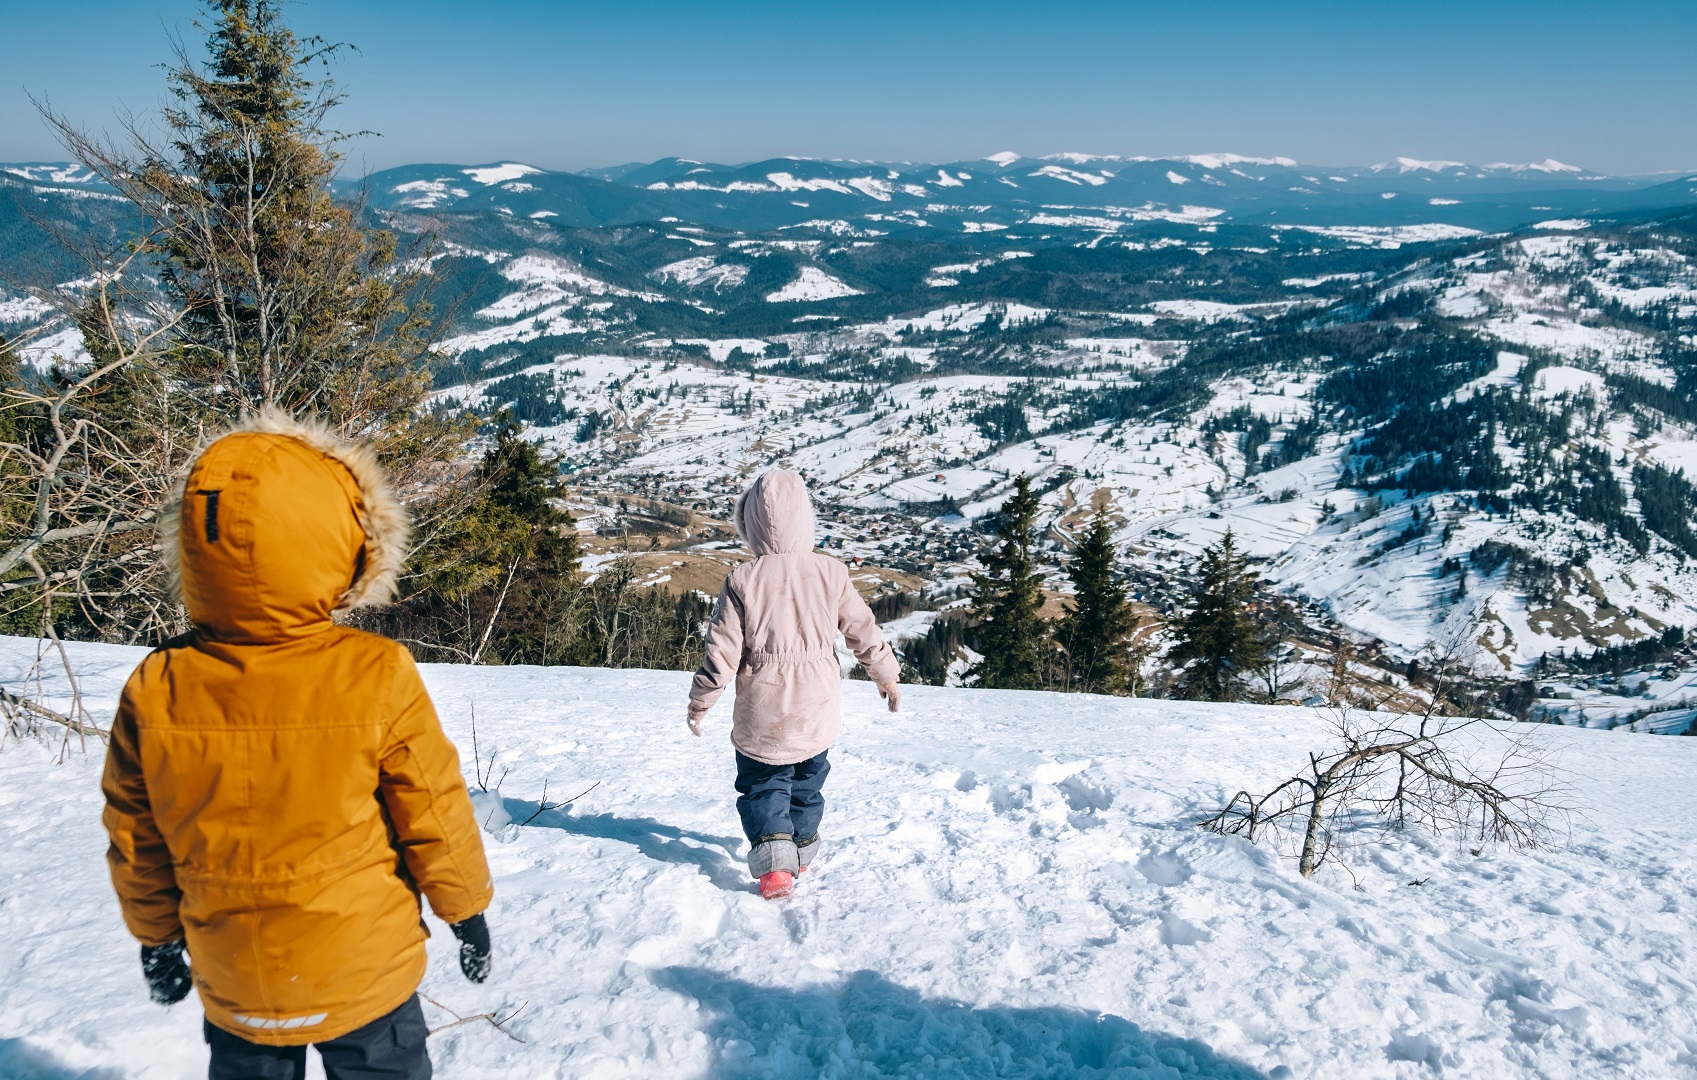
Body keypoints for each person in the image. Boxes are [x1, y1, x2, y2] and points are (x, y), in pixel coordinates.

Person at [101, 412, 494, 1080]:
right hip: (364, 969)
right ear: (343, 541)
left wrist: (156, 937)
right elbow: (433, 809)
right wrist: (467, 912)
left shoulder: (157, 684)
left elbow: (135, 832)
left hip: (235, 974)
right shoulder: (375, 672)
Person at [688, 468, 901, 899]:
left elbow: (722, 651)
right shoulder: (831, 572)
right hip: (817, 707)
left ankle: (775, 866)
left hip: (763, 709)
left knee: (765, 783)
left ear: (749, 525)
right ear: (806, 519)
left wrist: (701, 701)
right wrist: (887, 676)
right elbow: (864, 631)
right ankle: (801, 849)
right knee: (807, 779)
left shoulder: (742, 580)